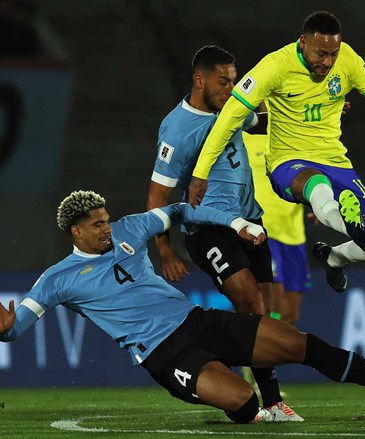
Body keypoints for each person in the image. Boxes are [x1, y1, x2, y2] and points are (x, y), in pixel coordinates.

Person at [0, 190, 365, 423]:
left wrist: (235, 223)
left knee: (298, 343)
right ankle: (252, 404)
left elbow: (180, 211)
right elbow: (17, 327)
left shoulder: (130, 228)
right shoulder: (57, 279)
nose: (107, 228)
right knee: (242, 402)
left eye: (106, 220)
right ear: (75, 232)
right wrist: (4, 329)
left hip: (197, 321)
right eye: (97, 225)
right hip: (165, 355)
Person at [188, 11, 365, 293]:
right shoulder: (275, 66)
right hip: (287, 161)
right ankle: (347, 223)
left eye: (334, 54)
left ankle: (333, 257)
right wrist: (201, 173)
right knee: (317, 184)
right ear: (303, 42)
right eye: (321, 54)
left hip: (335, 160)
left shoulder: (348, 59)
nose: (328, 62)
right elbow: (230, 117)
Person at [146, 45, 301, 421]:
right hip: (209, 230)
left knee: (264, 316)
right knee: (251, 303)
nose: (232, 88)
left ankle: (222, 361)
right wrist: (164, 250)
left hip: (251, 223)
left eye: (234, 80)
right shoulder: (177, 129)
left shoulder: (230, 109)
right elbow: (157, 196)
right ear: (199, 80)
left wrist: (308, 114)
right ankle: (271, 401)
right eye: (224, 81)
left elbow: (258, 119)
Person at [244, 132, 310, 325]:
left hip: (294, 234)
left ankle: (274, 344)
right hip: (263, 231)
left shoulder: (292, 135)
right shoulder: (242, 137)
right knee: (273, 308)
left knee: (291, 315)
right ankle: (257, 342)